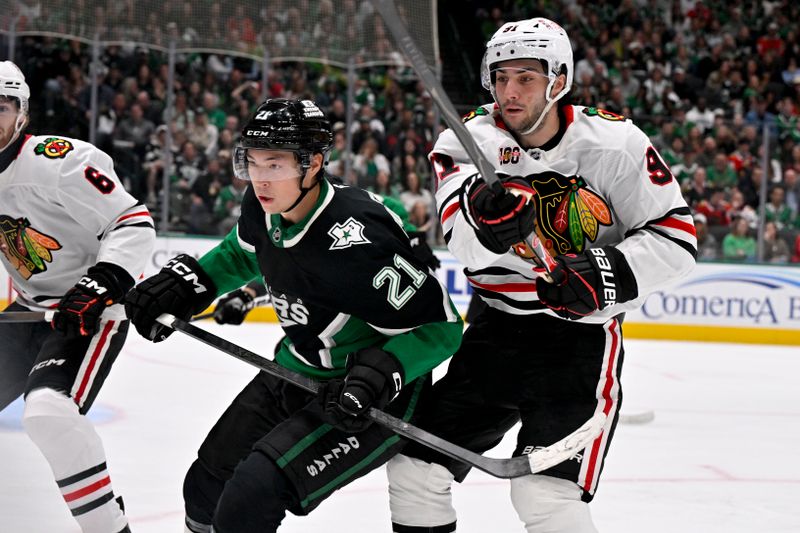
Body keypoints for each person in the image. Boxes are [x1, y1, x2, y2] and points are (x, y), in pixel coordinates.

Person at [386, 18, 697, 533]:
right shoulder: (466, 140)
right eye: (501, 77)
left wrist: (605, 271)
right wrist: (485, 220)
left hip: (577, 345)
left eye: (526, 78)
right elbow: (464, 243)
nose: (509, 91)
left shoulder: (615, 143)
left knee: (544, 495)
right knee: (415, 472)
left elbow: (676, 238)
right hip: (494, 333)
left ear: (558, 80)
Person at [123, 98, 462, 533]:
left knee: (250, 497)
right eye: (253, 162)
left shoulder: (356, 241)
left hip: (363, 396)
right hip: (293, 372)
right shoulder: (262, 206)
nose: (260, 179)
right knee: (205, 489)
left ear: (314, 163)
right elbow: (239, 253)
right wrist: (189, 286)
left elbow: (442, 326)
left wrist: (378, 376)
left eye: (276, 164)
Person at [0, 61, 155, 532]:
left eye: (0, 108)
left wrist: (102, 281)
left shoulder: (58, 160)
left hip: (91, 311)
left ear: (22, 115)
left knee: (48, 412)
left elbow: (132, 221)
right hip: (29, 307)